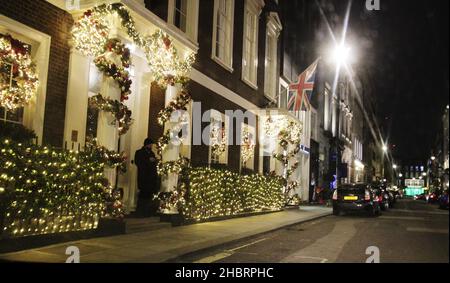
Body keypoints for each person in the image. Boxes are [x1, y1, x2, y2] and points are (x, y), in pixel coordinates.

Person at [134, 138, 159, 217]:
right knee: (143, 195)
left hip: (151, 178)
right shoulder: (139, 152)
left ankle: (147, 212)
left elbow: (153, 164)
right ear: (146, 144)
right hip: (144, 177)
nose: (151, 146)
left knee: (149, 195)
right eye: (150, 144)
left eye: (151, 145)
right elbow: (138, 162)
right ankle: (140, 212)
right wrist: (148, 160)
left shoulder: (152, 153)